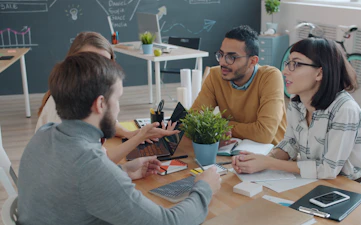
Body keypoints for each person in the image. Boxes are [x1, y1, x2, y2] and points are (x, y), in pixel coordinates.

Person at [18, 52, 221, 225]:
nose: (118, 108)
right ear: (100, 104)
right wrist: (205, 188)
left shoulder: (43, 135)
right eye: (117, 98)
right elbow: (169, 222)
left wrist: (121, 171)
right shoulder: (90, 166)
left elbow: (72, 188)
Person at [232, 38, 361, 181]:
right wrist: (260, 160)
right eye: (288, 63)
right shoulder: (297, 101)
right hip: (315, 180)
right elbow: (290, 143)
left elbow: (328, 169)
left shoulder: (345, 110)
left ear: (319, 73)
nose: (285, 71)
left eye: (296, 64)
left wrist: (270, 163)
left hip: (347, 186)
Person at [36, 31, 175, 163]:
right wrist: (137, 138)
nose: (99, 71)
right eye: (89, 62)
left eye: (104, 64)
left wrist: (130, 134)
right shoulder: (65, 108)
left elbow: (108, 126)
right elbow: (99, 162)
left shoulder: (84, 96)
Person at [191, 25, 286, 146]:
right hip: (231, 151)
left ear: (252, 61)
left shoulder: (270, 76)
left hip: (271, 154)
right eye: (221, 54)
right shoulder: (215, 75)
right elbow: (194, 119)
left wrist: (222, 125)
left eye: (231, 57)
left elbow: (265, 133)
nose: (222, 62)